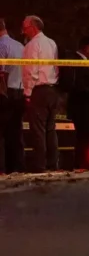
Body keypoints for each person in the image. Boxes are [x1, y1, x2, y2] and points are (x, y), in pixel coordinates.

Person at [21, 16, 60, 172]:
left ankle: (40, 165)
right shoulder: (51, 43)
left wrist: (27, 93)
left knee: (38, 130)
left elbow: (31, 71)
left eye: (25, 27)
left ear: (33, 27)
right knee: (50, 129)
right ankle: (52, 164)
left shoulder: (32, 45)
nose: (23, 31)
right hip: (52, 89)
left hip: (39, 90)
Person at [63, 36, 89, 169]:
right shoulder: (76, 62)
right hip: (81, 108)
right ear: (86, 48)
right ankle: (83, 163)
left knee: (85, 136)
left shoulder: (84, 62)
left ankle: (83, 163)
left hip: (86, 108)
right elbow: (80, 86)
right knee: (84, 136)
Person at [0, 19, 26, 173]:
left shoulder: (1, 45)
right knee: (16, 133)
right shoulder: (19, 46)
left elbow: (1, 74)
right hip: (20, 92)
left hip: (5, 93)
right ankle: (17, 167)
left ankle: (2, 168)